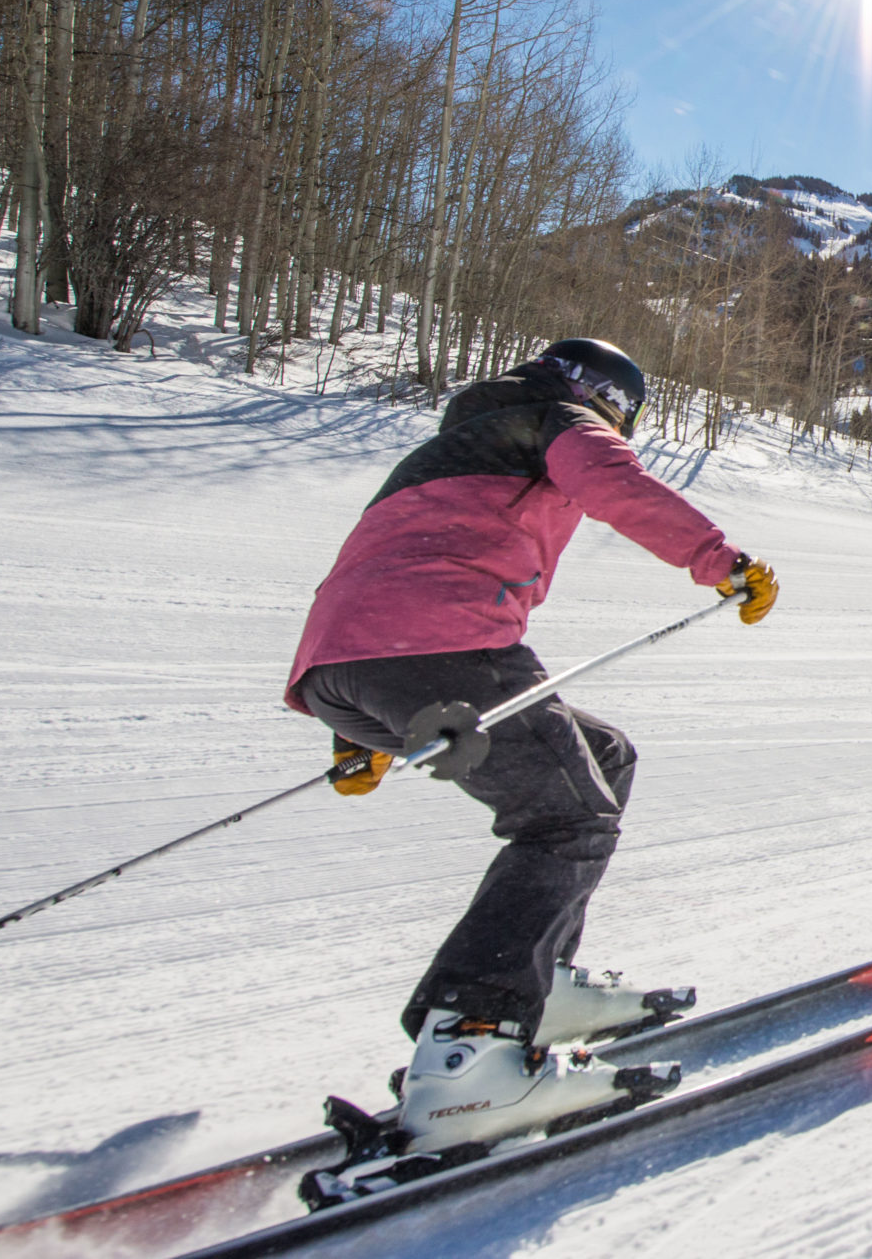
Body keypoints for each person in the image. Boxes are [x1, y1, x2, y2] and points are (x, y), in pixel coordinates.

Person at [284, 338, 777, 1150]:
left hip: (345, 667)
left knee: (602, 758)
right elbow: (614, 483)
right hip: (444, 647)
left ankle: (537, 984)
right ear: (610, 397)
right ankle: (471, 1055)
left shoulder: (455, 439)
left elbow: (375, 567)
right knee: (565, 818)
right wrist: (722, 562)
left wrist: (351, 728)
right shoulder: (562, 419)